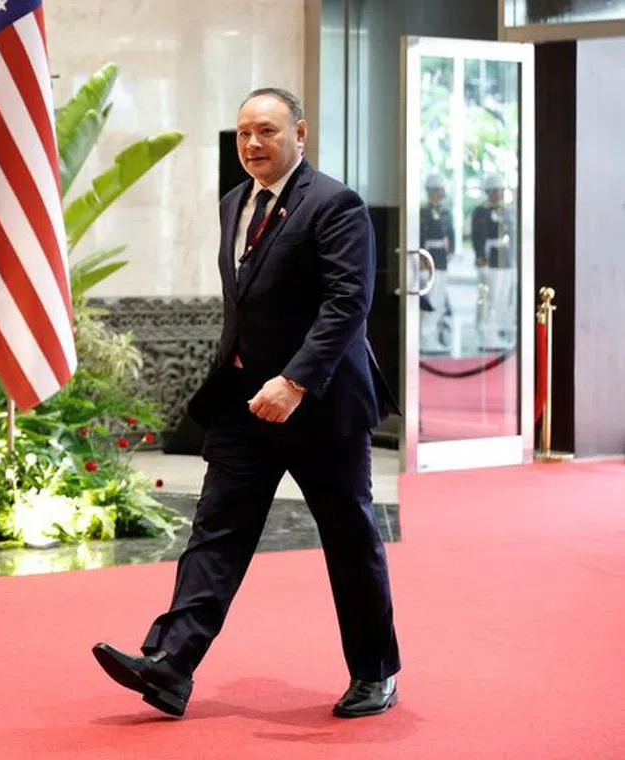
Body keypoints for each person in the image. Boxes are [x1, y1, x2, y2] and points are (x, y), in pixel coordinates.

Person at [92, 88, 401, 719]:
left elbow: (347, 305)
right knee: (216, 534)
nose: (253, 145)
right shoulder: (236, 201)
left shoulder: (335, 204)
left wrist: (294, 381)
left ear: (300, 133)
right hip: (243, 404)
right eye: (243, 135)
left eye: (266, 131)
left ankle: (375, 673)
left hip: (320, 406)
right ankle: (171, 666)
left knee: (348, 538)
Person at [471, 173, 516, 350]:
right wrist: (480, 257)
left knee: (502, 299)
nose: (499, 194)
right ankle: (486, 333)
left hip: (505, 261)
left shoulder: (506, 211)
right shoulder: (481, 211)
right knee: (490, 298)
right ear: (488, 192)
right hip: (490, 261)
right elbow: (478, 236)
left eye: (501, 190)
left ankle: (495, 332)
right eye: (496, 191)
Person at [420, 173, 455, 353]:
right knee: (429, 300)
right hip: (427, 260)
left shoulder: (446, 212)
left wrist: (451, 253)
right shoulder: (423, 212)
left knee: (439, 300)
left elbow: (451, 235)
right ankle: (424, 337)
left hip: (441, 260)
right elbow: (420, 236)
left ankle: (432, 335)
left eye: (441, 190)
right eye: (435, 190)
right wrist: (421, 259)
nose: (439, 193)